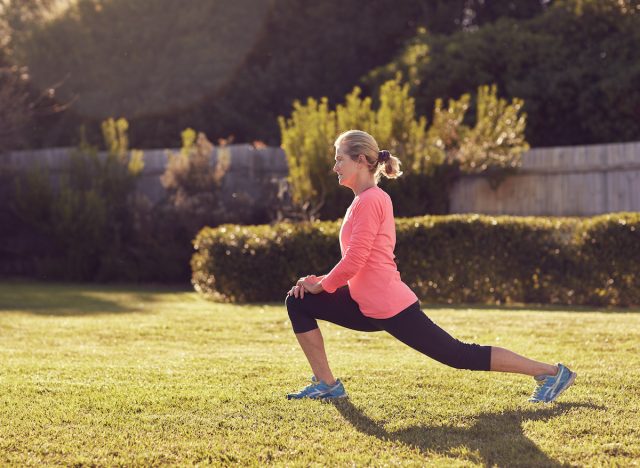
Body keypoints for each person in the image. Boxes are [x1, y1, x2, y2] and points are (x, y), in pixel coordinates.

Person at [284, 129, 576, 403]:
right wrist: (319, 282)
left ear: (360, 160)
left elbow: (356, 259)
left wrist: (323, 284)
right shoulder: (361, 201)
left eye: (339, 159)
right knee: (299, 302)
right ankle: (327, 384)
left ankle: (551, 373)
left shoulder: (372, 200)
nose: (335, 167)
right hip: (364, 303)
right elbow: (362, 260)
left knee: (459, 355)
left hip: (389, 306)